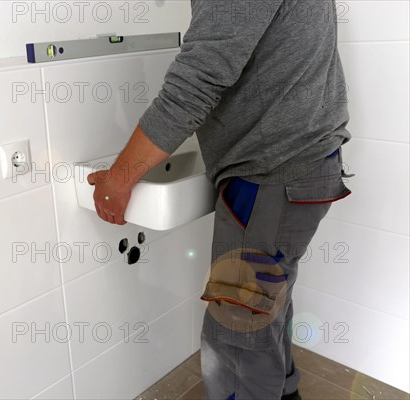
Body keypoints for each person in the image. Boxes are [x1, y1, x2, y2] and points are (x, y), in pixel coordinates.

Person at [87, 0, 353, 399]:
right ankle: (284, 391)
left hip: (270, 170)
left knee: (235, 332)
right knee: (261, 304)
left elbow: (195, 83)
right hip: (303, 162)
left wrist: (119, 179)